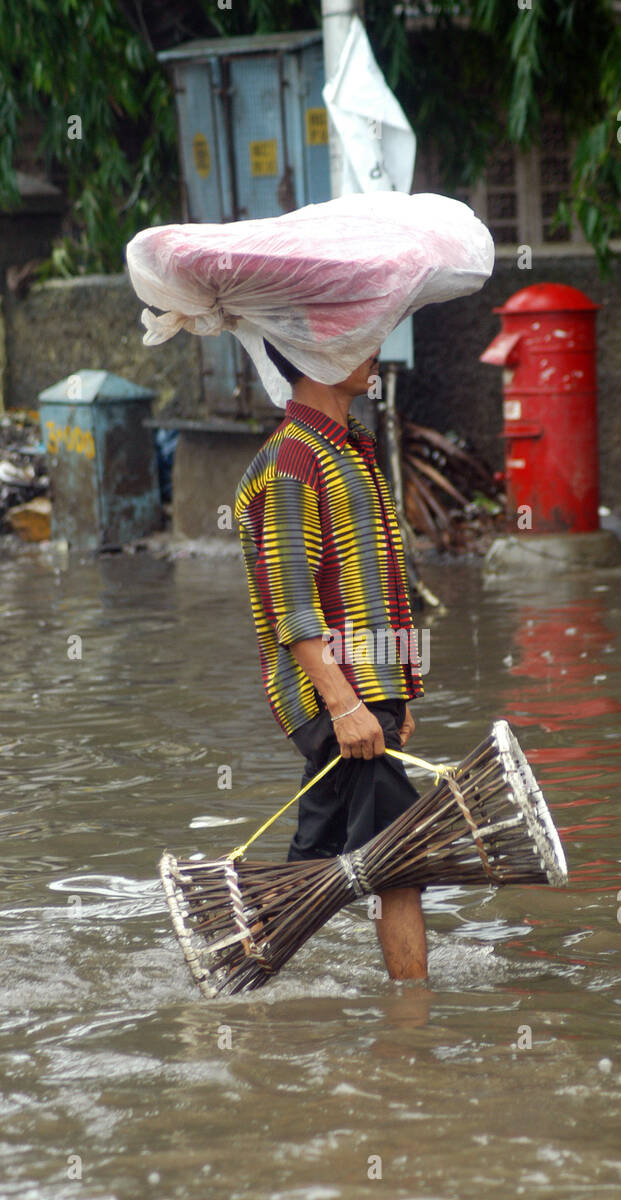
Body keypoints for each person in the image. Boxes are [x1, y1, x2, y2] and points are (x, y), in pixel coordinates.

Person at [234, 338, 427, 982]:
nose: (373, 349)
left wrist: (396, 697)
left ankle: (239, 976)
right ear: (312, 358)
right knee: (401, 861)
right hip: (336, 697)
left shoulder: (353, 449)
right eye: (355, 340)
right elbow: (291, 603)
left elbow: (378, 584)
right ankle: (414, 1029)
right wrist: (346, 706)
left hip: (367, 694)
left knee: (318, 860)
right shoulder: (292, 461)